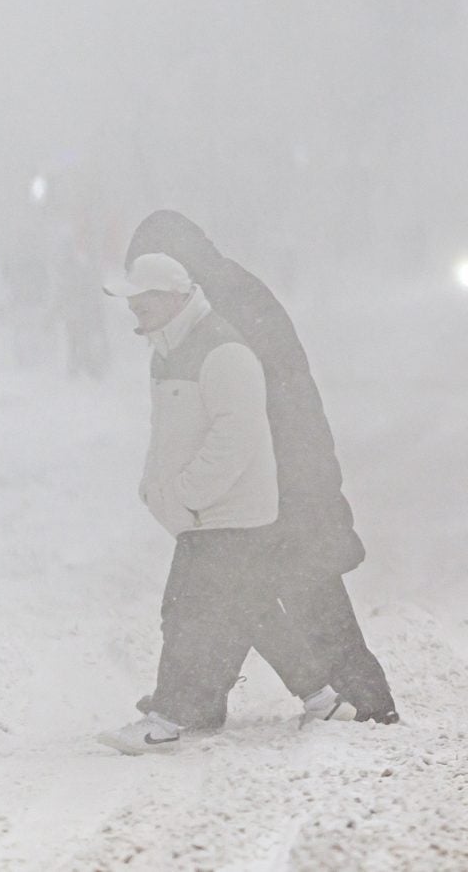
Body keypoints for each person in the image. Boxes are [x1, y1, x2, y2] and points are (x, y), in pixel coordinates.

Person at [125, 211, 399, 725]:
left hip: (285, 473)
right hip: (268, 471)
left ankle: (365, 701)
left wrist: (247, 478)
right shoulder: (216, 299)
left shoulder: (226, 308)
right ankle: (198, 698)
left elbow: (261, 404)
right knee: (225, 590)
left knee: (305, 591)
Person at [98, 252, 287, 753]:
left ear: (173, 298)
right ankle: (324, 697)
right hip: (206, 513)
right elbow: (168, 432)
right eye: (131, 302)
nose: (134, 310)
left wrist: (186, 495)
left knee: (188, 614)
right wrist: (151, 483)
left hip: (228, 512)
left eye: (142, 300)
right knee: (250, 611)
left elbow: (236, 435)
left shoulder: (222, 349)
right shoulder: (168, 349)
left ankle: (169, 717)